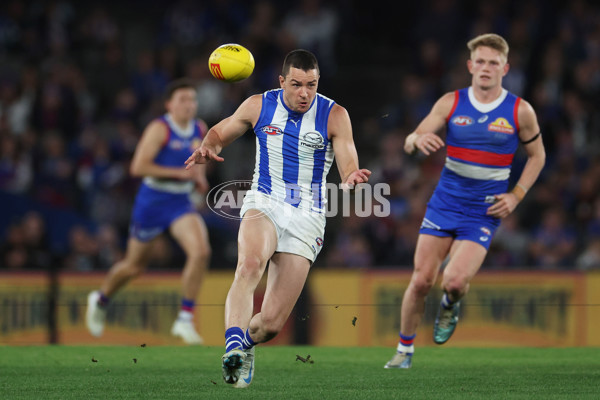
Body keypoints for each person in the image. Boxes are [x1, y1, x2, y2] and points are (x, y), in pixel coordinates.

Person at [185, 49, 370, 387]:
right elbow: (221, 130)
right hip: (265, 200)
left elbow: (348, 158)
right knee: (250, 265)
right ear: (282, 81)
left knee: (269, 324)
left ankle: (247, 345)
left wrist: (351, 176)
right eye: (297, 84)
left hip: (308, 215)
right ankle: (231, 350)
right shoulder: (259, 105)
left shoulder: (334, 114)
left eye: (311, 85)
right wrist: (209, 145)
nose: (305, 93)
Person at [384, 33, 546, 369]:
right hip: (444, 204)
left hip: (483, 211)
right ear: (470, 66)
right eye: (481, 62)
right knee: (421, 280)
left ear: (505, 68)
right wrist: (417, 139)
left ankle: (450, 303)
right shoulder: (451, 103)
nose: (486, 68)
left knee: (455, 282)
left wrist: (516, 195)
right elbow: (411, 140)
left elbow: (538, 157)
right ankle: (404, 351)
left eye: (494, 63)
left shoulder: (520, 111)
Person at [86, 78, 211, 345]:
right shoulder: (160, 128)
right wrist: (179, 174)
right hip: (153, 201)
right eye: (183, 100)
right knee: (133, 267)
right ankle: (100, 299)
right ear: (169, 104)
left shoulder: (200, 128)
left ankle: (185, 319)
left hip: (180, 203)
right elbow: (138, 167)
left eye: (192, 100)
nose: (189, 105)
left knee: (200, 251)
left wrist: (200, 177)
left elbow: (199, 161)